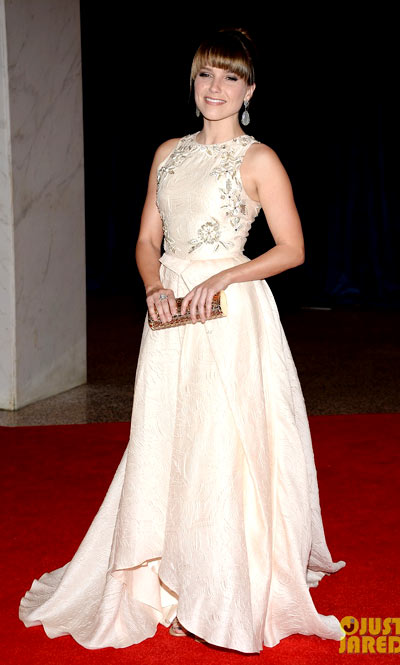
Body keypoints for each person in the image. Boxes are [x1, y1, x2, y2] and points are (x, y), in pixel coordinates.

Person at [19, 27, 346, 653]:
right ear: (192, 83)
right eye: (205, 75)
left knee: (221, 440)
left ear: (250, 89)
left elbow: (293, 249)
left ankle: (223, 582)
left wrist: (224, 275)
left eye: (229, 77)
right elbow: (147, 241)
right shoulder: (167, 151)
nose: (215, 88)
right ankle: (155, 568)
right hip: (167, 313)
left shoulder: (260, 159)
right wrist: (151, 289)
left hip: (229, 312)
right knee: (168, 433)